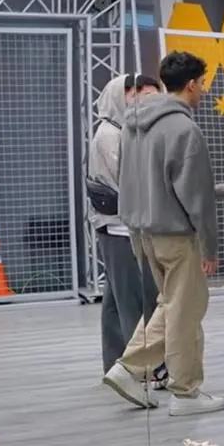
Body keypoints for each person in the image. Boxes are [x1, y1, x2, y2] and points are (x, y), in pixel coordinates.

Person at [105, 51, 224, 416]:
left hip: (143, 232)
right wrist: (209, 246)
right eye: (202, 84)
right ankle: (185, 392)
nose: (203, 90)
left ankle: (129, 368)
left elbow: (131, 179)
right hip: (177, 234)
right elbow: (196, 196)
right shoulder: (185, 130)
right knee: (185, 311)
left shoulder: (131, 124)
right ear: (190, 85)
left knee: (172, 305)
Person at [89, 74, 159, 376]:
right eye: (136, 95)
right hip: (120, 227)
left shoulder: (117, 131)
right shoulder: (111, 135)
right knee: (132, 301)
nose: (142, 102)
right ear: (120, 96)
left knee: (115, 302)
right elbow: (129, 182)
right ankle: (140, 368)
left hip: (116, 226)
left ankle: (116, 364)